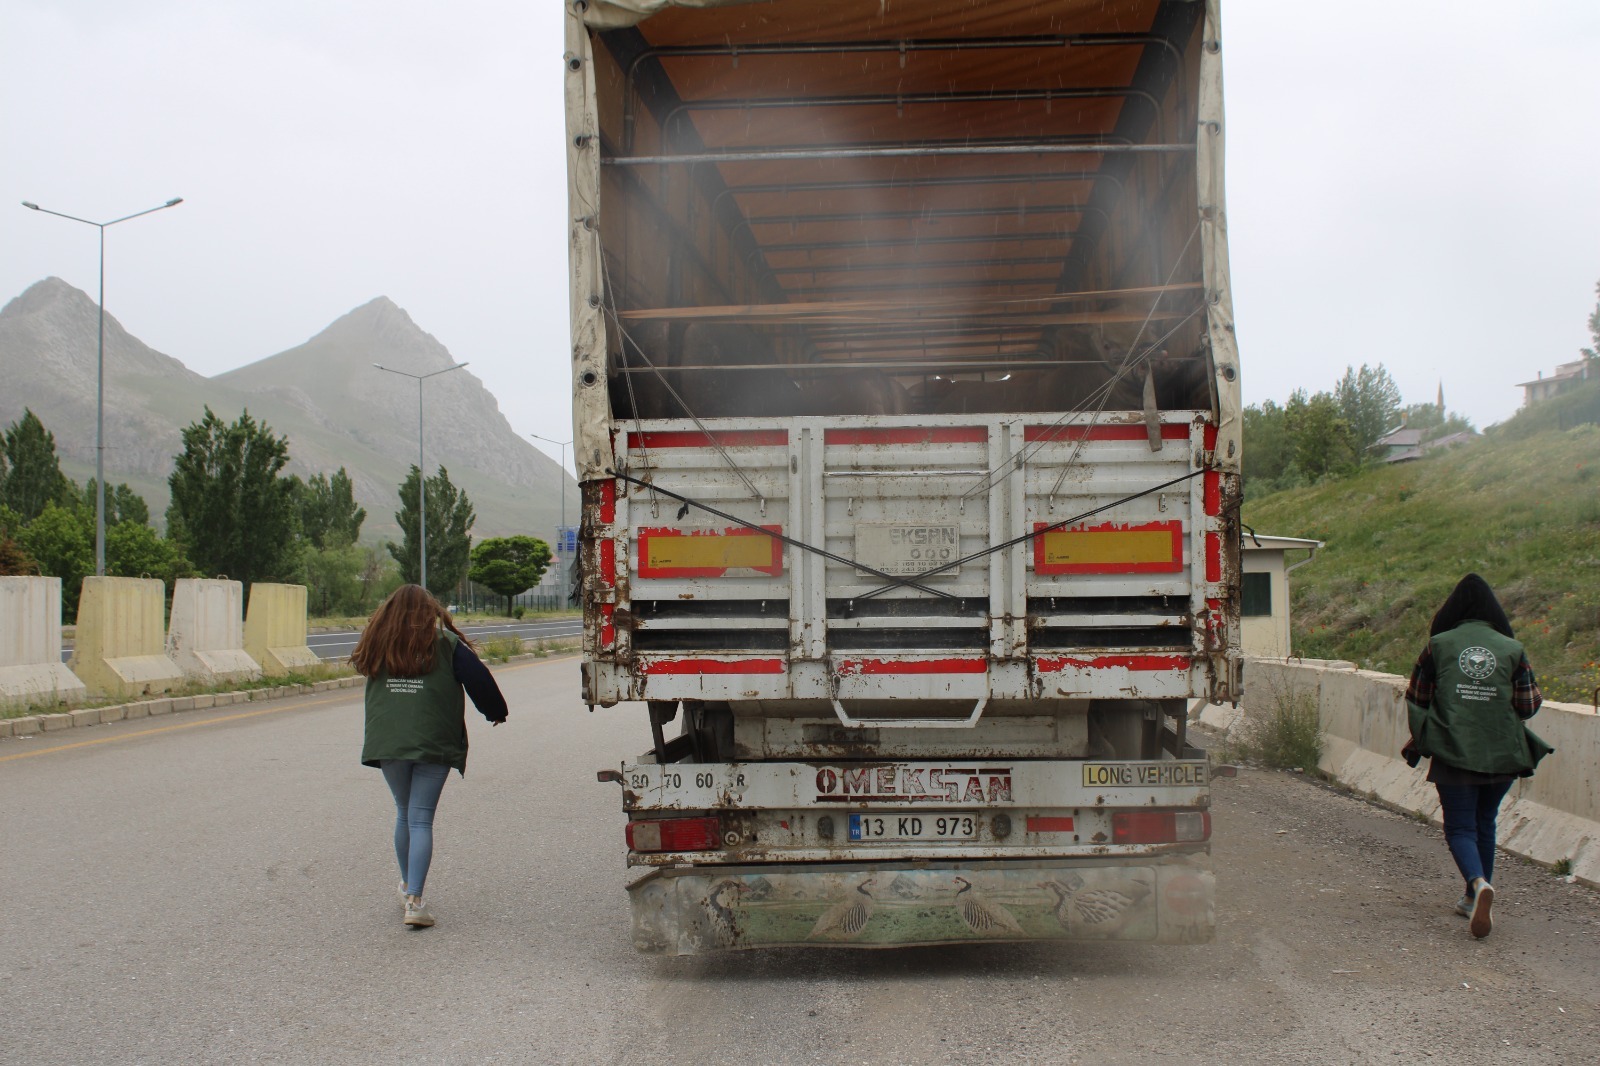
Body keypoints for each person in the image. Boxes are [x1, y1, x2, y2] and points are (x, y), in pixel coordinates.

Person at [1403, 574, 1552, 939]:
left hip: (1454, 750)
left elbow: (1417, 697)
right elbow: (1528, 705)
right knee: (1486, 822)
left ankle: (1477, 883)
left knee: (1460, 827)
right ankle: (1474, 896)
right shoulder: (1511, 648)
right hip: (1502, 753)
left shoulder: (1438, 645)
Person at [351, 584, 508, 928]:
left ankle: (407, 885)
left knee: (404, 812)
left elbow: (362, 667)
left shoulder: (377, 643)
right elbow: (479, 680)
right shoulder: (445, 645)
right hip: (433, 741)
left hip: (388, 741)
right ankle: (415, 901)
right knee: (421, 818)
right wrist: (495, 711)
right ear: (430, 611)